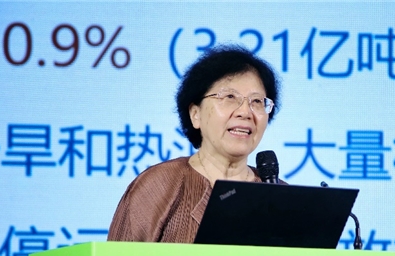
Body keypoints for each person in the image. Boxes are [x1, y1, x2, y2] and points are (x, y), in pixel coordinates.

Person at [107, 44, 281, 243]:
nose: (245, 112)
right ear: (195, 114)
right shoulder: (158, 187)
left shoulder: (281, 197)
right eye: (230, 97)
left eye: (257, 101)